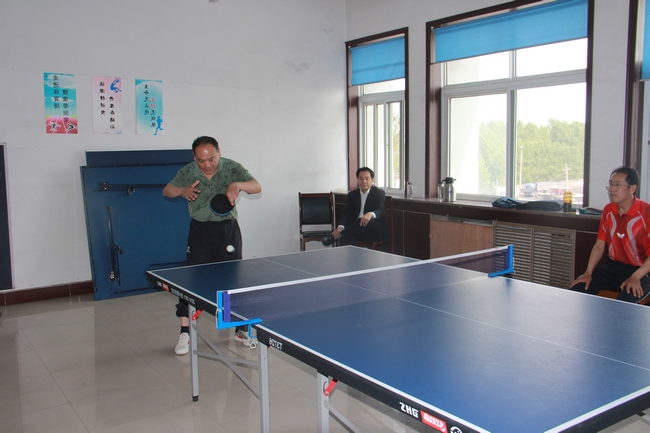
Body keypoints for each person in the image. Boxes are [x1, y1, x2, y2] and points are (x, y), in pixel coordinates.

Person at [163, 136, 261, 355]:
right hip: (200, 231)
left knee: (233, 281)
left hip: (227, 230)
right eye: (201, 160)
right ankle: (185, 332)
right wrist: (181, 191)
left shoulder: (232, 168)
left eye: (211, 159)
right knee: (191, 282)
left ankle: (240, 329)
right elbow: (167, 190)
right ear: (194, 158)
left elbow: (256, 186)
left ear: (219, 152)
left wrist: (237, 185)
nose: (207, 164)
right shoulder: (189, 172)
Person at [570, 166, 650, 303]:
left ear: (632, 188)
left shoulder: (646, 212)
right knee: (577, 290)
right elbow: (599, 245)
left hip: (643, 270)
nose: (612, 189)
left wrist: (635, 277)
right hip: (613, 267)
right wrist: (588, 272)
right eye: (610, 184)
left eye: (618, 185)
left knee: (623, 307)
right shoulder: (608, 210)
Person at [323, 167, 389, 246]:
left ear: (372, 180)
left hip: (374, 230)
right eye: (361, 178)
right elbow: (347, 213)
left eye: (367, 178)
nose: (364, 181)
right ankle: (346, 245)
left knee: (368, 222)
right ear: (357, 180)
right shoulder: (352, 194)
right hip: (357, 230)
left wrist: (370, 214)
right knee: (349, 236)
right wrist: (341, 226)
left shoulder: (379, 193)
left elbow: (381, 210)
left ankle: (337, 236)